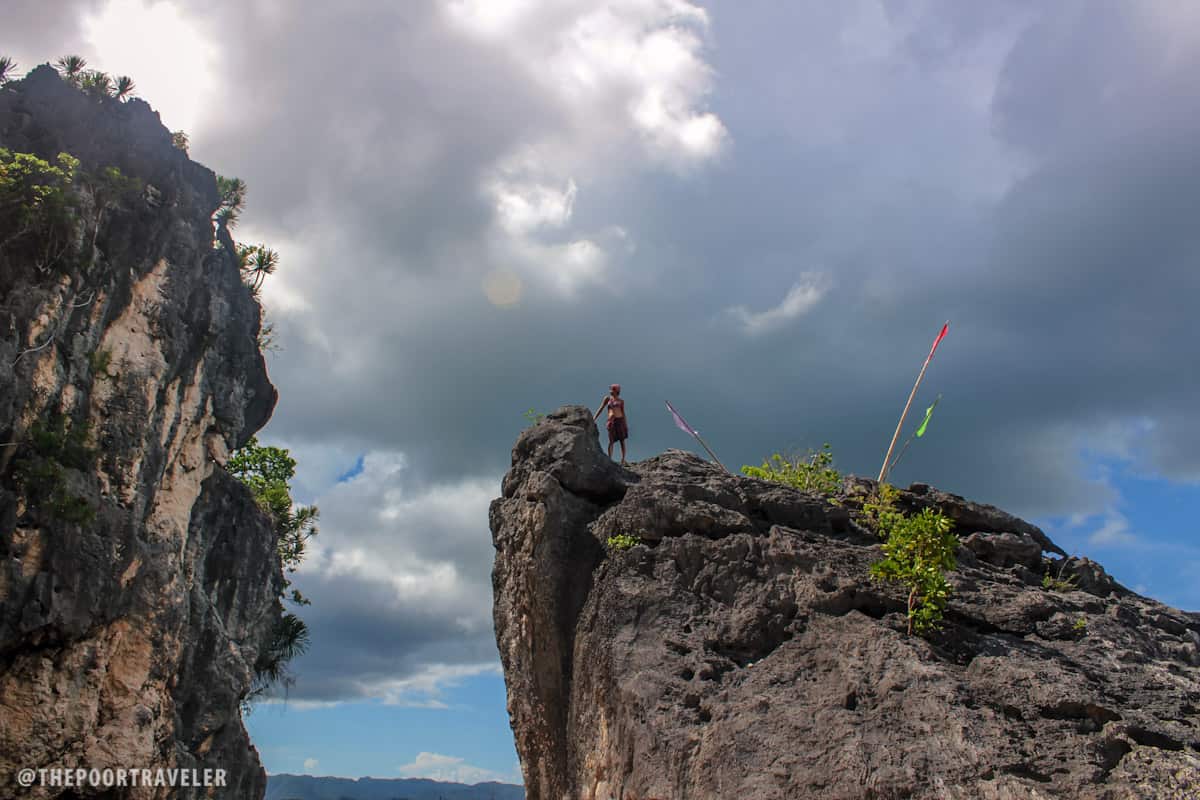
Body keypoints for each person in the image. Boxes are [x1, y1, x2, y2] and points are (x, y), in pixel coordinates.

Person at [594, 383, 629, 464]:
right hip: (611, 421)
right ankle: (610, 459)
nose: (611, 391)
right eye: (611, 389)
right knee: (611, 440)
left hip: (620, 420)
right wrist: (594, 418)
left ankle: (623, 459)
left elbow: (623, 413)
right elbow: (601, 408)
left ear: (617, 391)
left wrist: (626, 424)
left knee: (622, 440)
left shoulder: (621, 401)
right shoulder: (607, 399)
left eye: (613, 389)